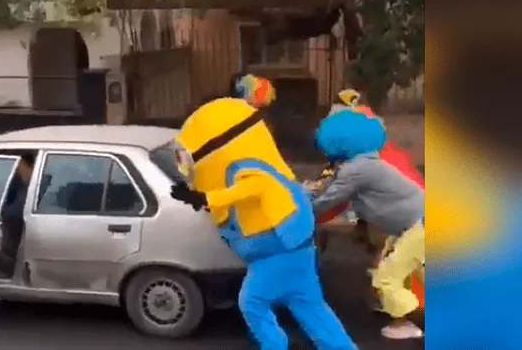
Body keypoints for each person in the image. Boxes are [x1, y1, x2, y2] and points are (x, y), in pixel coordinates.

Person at [169, 97, 357, 350]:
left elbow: (252, 188)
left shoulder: (251, 170)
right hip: (295, 250)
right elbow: (238, 203)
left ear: (219, 144)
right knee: (310, 306)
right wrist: (204, 200)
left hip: (280, 252)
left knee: (253, 302)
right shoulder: (245, 170)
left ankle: (276, 345)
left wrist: (206, 197)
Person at [310, 110, 425, 340]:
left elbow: (328, 199)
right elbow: (330, 186)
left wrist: (300, 207)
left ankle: (406, 323)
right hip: (412, 225)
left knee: (387, 277)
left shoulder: (358, 169)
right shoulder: (369, 160)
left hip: (416, 225)